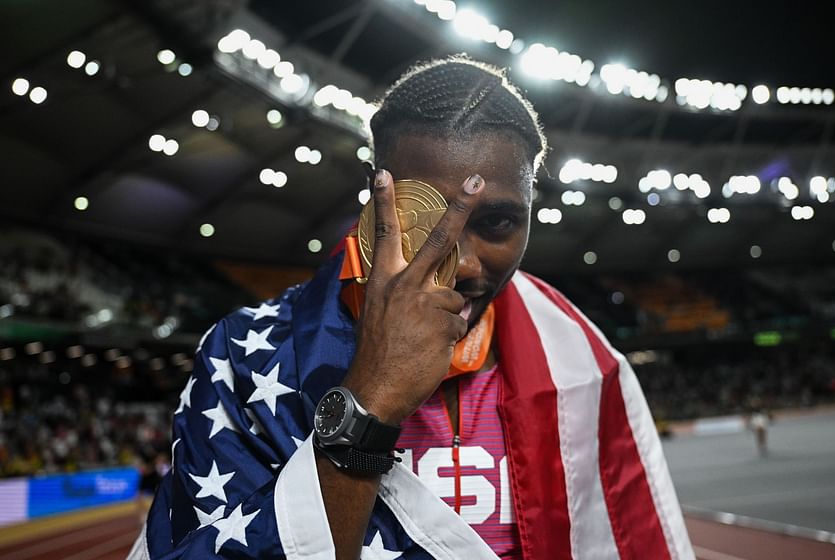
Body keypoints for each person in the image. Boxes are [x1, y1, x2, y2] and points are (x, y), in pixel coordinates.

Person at [130, 56, 694, 559]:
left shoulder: (582, 361)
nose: (467, 265)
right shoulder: (245, 358)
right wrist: (370, 402)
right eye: (428, 221)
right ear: (377, 195)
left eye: (497, 222)